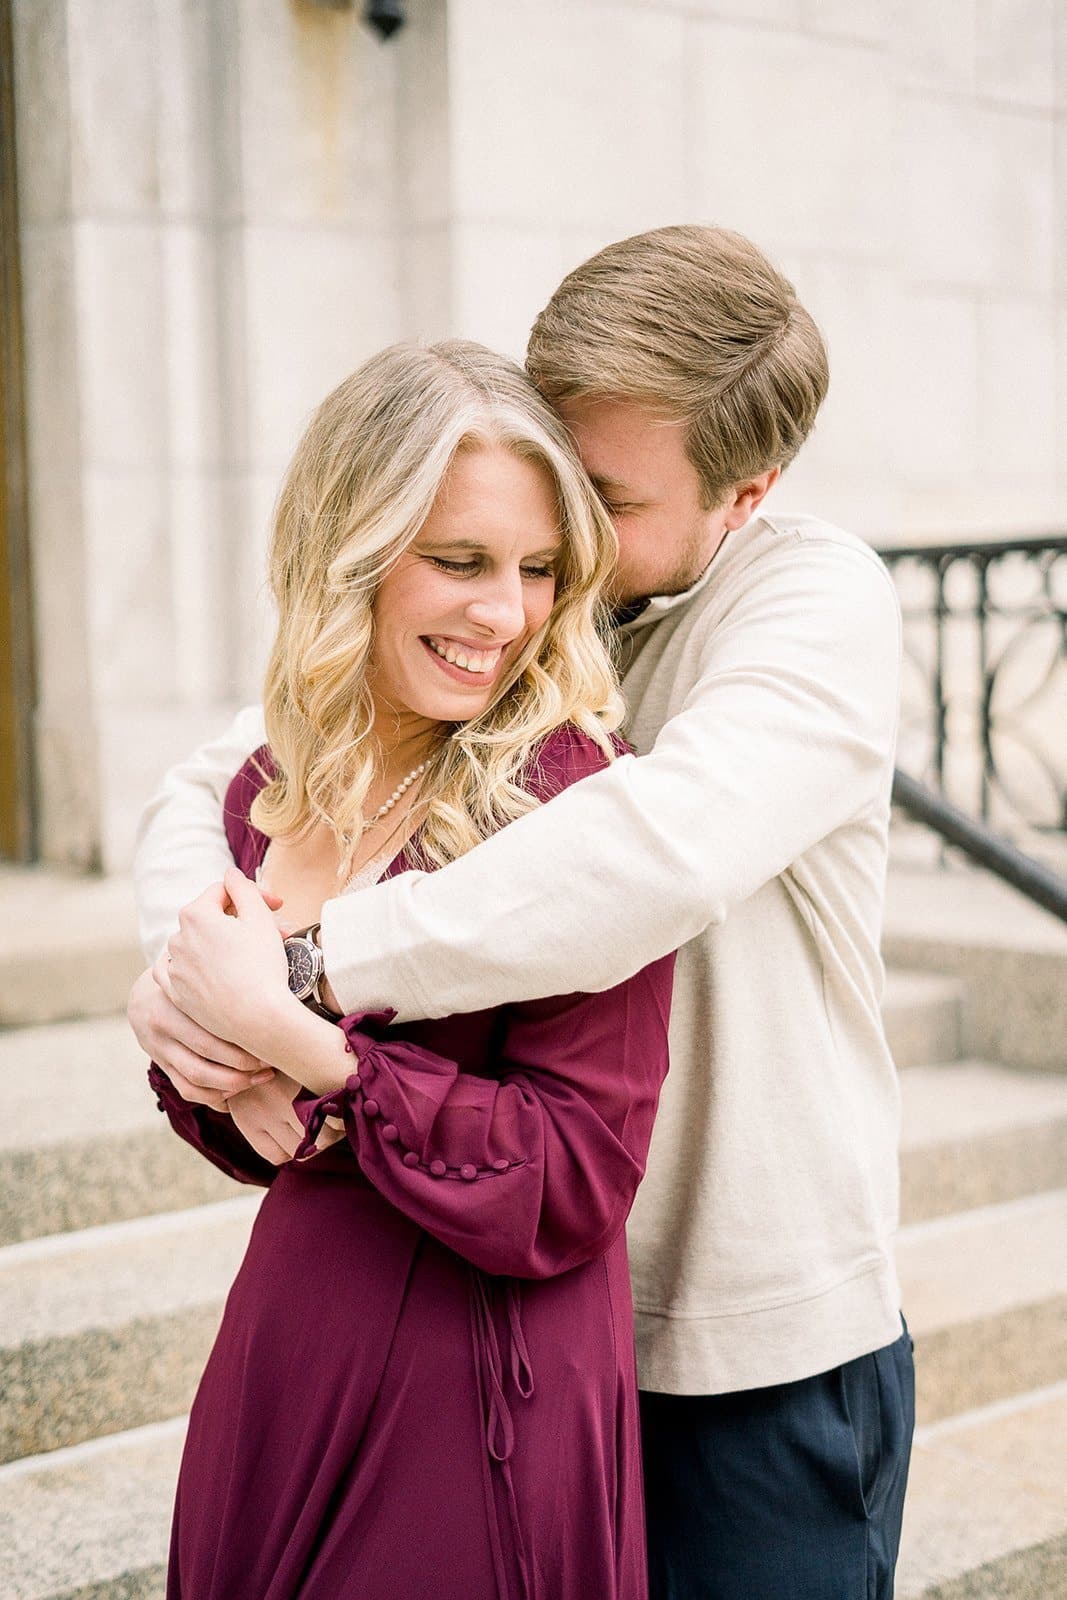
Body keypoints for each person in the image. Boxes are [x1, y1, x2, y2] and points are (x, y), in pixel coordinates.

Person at [131, 225, 915, 1600]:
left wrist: (303, 981)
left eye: (595, 504)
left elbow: (646, 853)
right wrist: (184, 972)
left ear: (743, 494)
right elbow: (227, 772)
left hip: (754, 1350)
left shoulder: (810, 604)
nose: (542, 542)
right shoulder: (529, 598)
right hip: (529, 1318)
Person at [138, 339, 676, 1600]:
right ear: (353, 548)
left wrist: (309, 1054)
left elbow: (575, 1172)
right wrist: (203, 1049)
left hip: (488, 1382)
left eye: (538, 569)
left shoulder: (571, 797)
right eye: (459, 560)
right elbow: (236, 1116)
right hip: (293, 1342)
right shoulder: (269, 788)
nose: (506, 614)